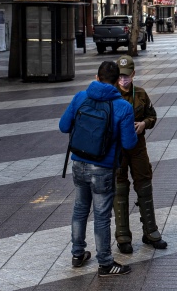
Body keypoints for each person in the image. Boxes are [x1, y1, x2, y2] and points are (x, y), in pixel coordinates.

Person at [59, 61, 138, 275]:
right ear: (115, 82)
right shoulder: (122, 106)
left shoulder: (80, 97)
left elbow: (63, 126)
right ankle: (105, 262)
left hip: (78, 163)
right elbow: (129, 144)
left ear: (97, 77)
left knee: (80, 209)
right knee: (102, 216)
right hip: (102, 168)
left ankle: (77, 254)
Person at [112, 56, 167, 253]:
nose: (123, 80)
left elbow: (152, 116)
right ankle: (123, 235)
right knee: (119, 189)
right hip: (117, 149)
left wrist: (144, 124)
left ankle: (150, 231)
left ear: (133, 75)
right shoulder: (111, 94)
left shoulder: (141, 94)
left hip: (137, 147)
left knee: (144, 185)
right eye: (119, 76)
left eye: (126, 76)